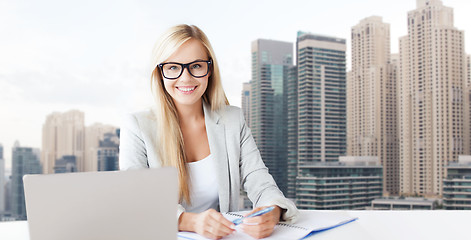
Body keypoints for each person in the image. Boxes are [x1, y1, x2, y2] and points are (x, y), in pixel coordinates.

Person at [119, 24, 298, 239]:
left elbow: (259, 180)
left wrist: (272, 211)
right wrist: (191, 222)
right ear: (160, 73)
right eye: (173, 67)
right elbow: (136, 200)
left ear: (209, 69)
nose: (185, 78)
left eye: (196, 66)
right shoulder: (137, 126)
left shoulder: (233, 120)